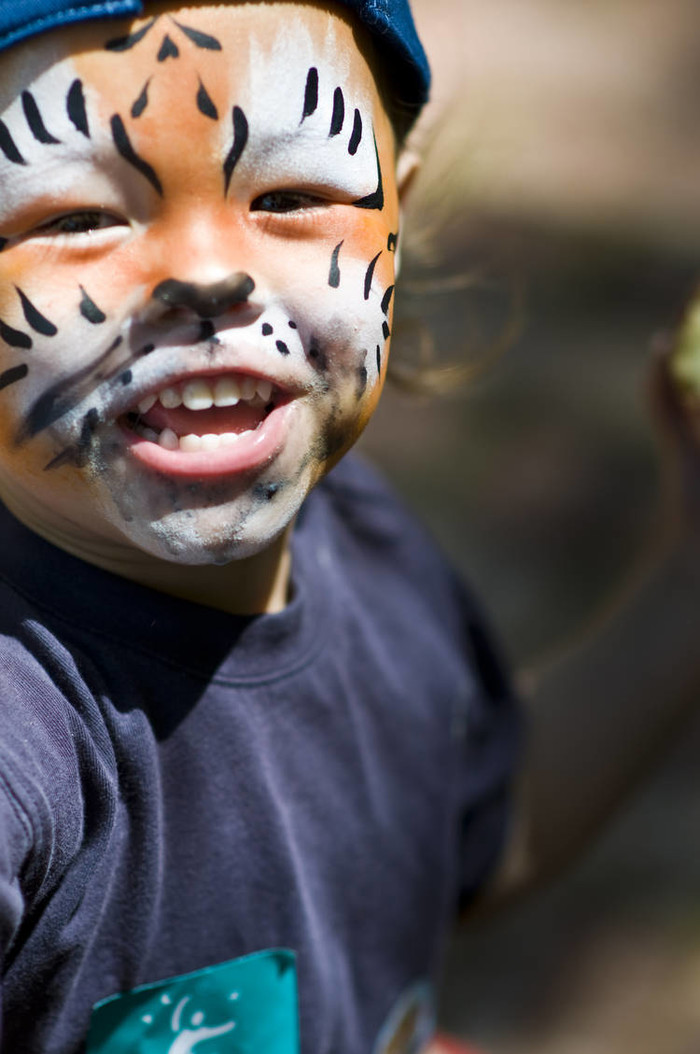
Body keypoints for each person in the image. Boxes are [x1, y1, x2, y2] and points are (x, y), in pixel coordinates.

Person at [0, 1, 698, 1052]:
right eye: (74, 216)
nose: (207, 275)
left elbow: (466, 826)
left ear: (396, 225)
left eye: (290, 197)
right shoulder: (23, 742)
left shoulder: (359, 534)